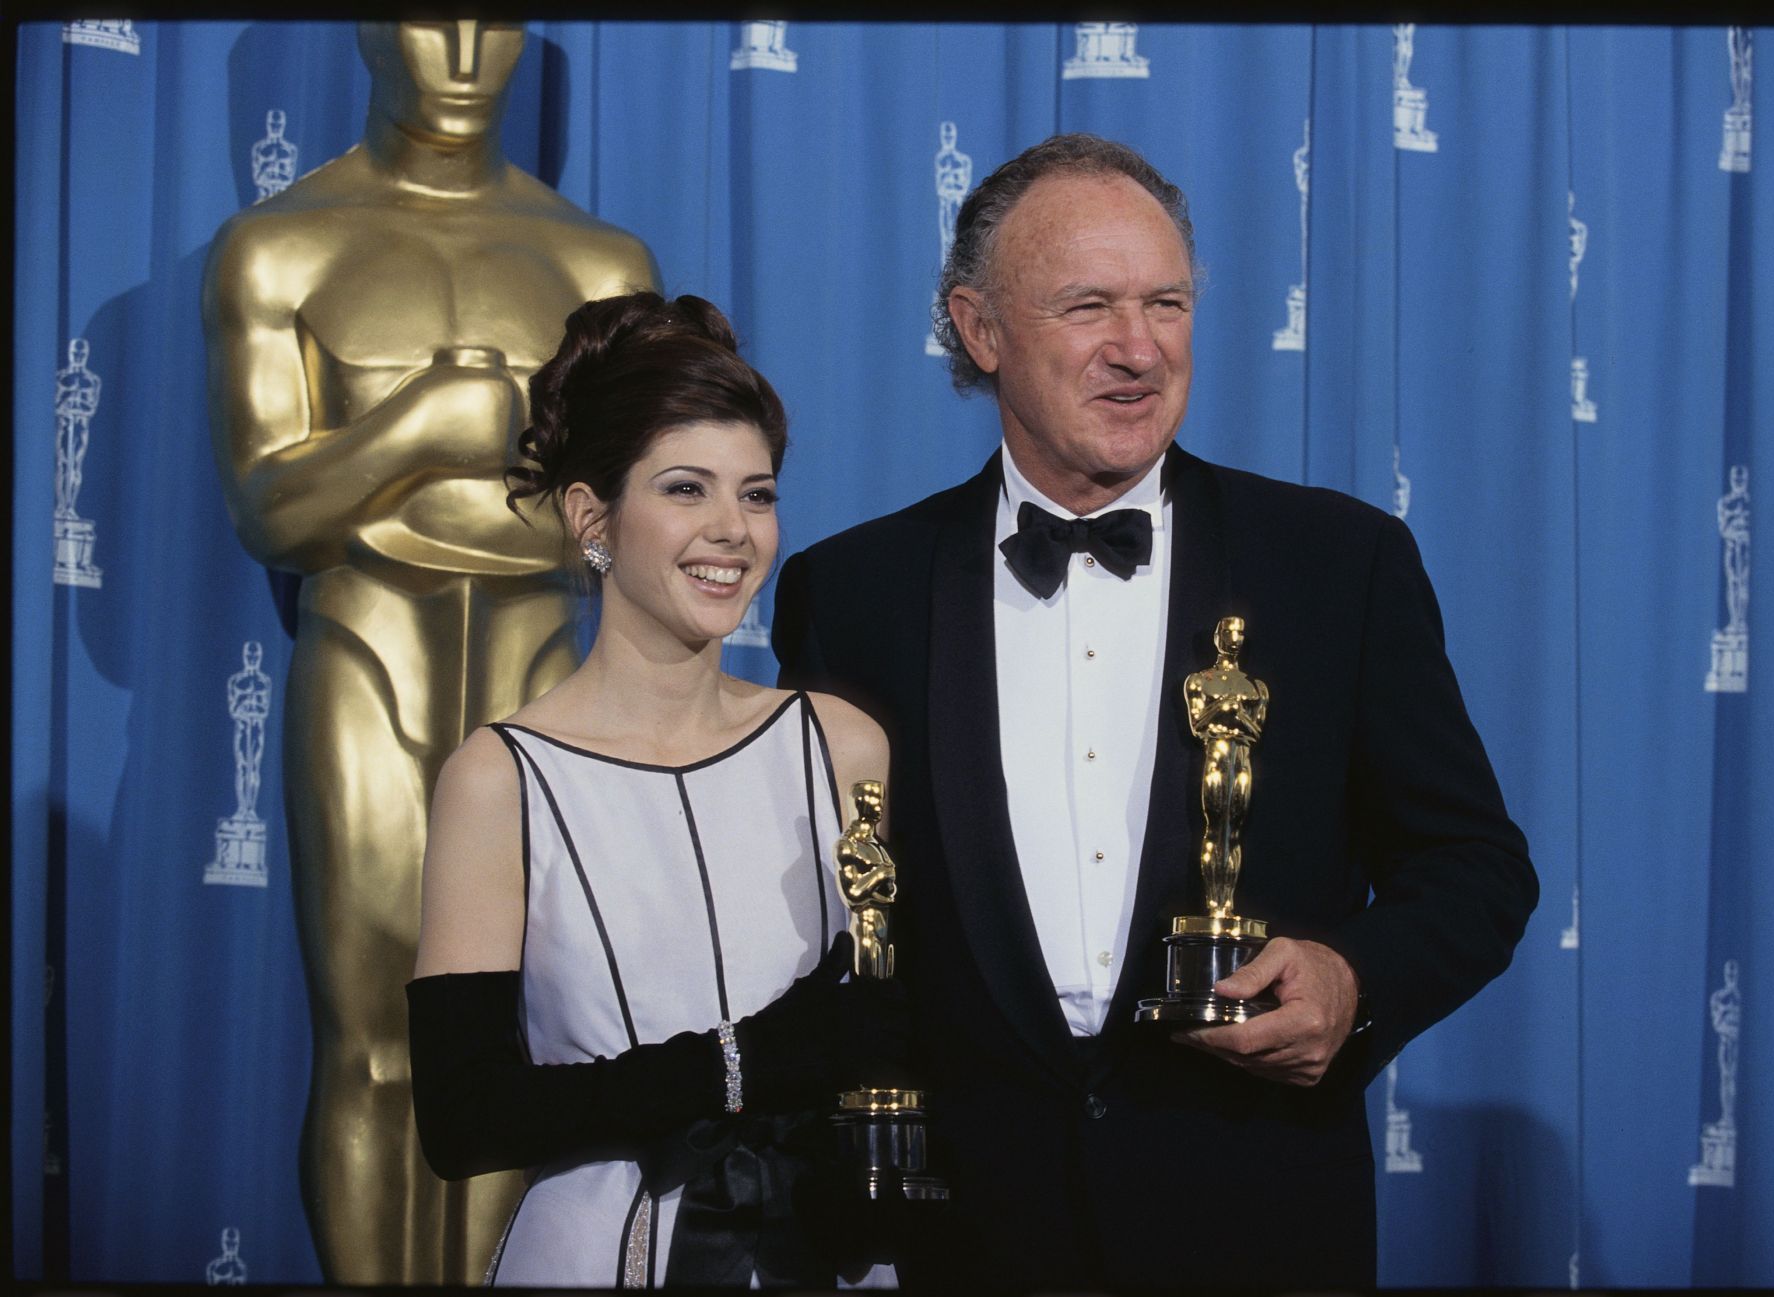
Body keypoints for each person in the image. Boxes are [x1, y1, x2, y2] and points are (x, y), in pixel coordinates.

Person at [772, 133, 1537, 1288]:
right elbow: (832, 928)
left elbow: (1476, 867)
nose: (1139, 349)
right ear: (980, 330)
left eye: (1167, 302)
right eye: (1088, 307)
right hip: (967, 1245)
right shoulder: (855, 591)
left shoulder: (1337, 564)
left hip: (1258, 1227)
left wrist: (1352, 978)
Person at [203, 21, 659, 1281]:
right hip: (365, 658)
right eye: (426, 13)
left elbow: (629, 525)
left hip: (543, 677)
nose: (461, 49)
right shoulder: (281, 248)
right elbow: (271, 513)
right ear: (364, 25)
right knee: (369, 1048)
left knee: (524, 1037)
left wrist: (383, 480)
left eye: (495, 19)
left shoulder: (599, 261)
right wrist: (428, 424)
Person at [407, 291, 906, 1287]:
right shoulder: (500, 780)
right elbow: (464, 1119)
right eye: (686, 489)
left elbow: (883, 1029)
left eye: (758, 494)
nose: (734, 531)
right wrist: (739, 1064)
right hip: (596, 1257)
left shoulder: (842, 746)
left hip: (834, 1256)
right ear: (592, 516)